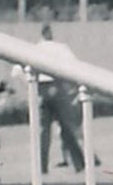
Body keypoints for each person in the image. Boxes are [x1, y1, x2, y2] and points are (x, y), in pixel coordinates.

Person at [34, 24, 88, 174]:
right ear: (50, 33)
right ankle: (79, 163)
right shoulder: (60, 48)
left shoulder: (35, 49)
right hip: (58, 86)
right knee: (67, 127)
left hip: (41, 89)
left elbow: (17, 72)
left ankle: (42, 166)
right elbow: (74, 65)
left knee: (43, 131)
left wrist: (31, 87)